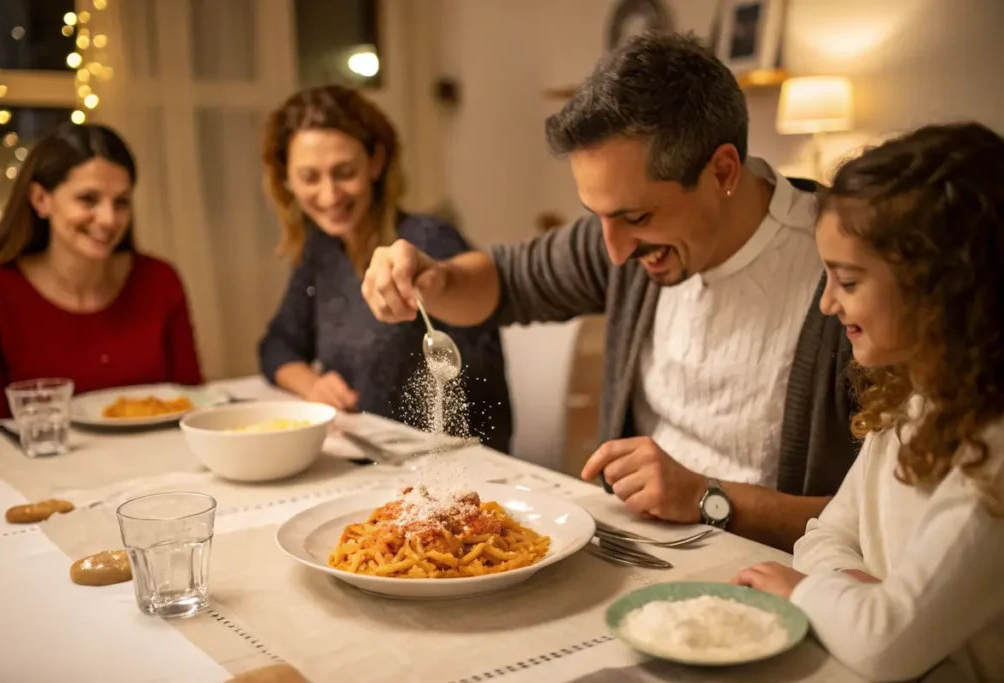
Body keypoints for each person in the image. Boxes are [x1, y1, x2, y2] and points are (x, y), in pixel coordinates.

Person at [361, 32, 858, 552]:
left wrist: (707, 498)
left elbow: (882, 521)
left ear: (723, 172)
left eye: (637, 217)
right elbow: (506, 280)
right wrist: (433, 278)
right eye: (596, 216)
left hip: (780, 575)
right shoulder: (625, 242)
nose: (615, 252)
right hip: (638, 548)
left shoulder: (850, 272)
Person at [733, 122, 1004, 682]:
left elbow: (884, 646)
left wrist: (812, 594)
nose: (828, 304)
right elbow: (825, 535)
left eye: (848, 281)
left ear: (940, 287)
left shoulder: (993, 449)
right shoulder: (912, 398)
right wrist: (861, 600)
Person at [258, 85, 513, 453]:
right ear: (286, 178)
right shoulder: (322, 250)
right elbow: (277, 345)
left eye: (344, 172)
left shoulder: (429, 243)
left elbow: (479, 402)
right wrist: (312, 384)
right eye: (310, 177)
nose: (329, 197)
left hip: (436, 466)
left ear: (376, 161)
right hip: (360, 452)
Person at [0, 122, 203, 420]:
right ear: (40, 200)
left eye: (121, 202)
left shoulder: (159, 280)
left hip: (160, 463)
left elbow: (193, 403)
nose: (109, 219)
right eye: (88, 199)